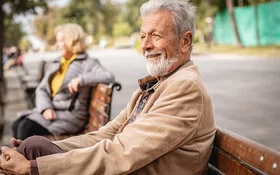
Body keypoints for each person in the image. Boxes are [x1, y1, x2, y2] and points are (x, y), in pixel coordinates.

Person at [0, 1, 216, 174]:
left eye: (156, 35)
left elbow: (120, 153)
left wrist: (33, 167)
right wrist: (43, 150)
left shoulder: (185, 87)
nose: (146, 45)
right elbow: (106, 135)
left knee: (30, 155)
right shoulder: (159, 83)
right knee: (32, 145)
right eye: (143, 36)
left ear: (185, 41)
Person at [11, 23, 115, 140]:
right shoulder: (58, 62)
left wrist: (82, 79)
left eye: (60, 41)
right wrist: (46, 108)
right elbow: (42, 89)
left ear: (72, 41)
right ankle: (23, 157)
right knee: (16, 124)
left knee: (25, 128)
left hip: (70, 116)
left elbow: (108, 76)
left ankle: (27, 158)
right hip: (53, 112)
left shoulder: (88, 63)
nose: (57, 45)